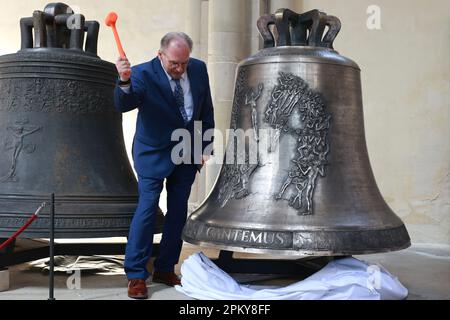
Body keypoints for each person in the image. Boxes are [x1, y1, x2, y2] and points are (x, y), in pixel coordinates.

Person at [114, 32, 214, 299]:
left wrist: (205, 146)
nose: (180, 69)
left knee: (178, 211)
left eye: (184, 63)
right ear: (161, 56)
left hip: (187, 149)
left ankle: (165, 267)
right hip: (153, 151)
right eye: (174, 64)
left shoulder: (199, 69)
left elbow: (206, 109)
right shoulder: (142, 74)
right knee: (148, 207)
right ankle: (136, 274)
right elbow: (124, 103)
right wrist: (123, 80)